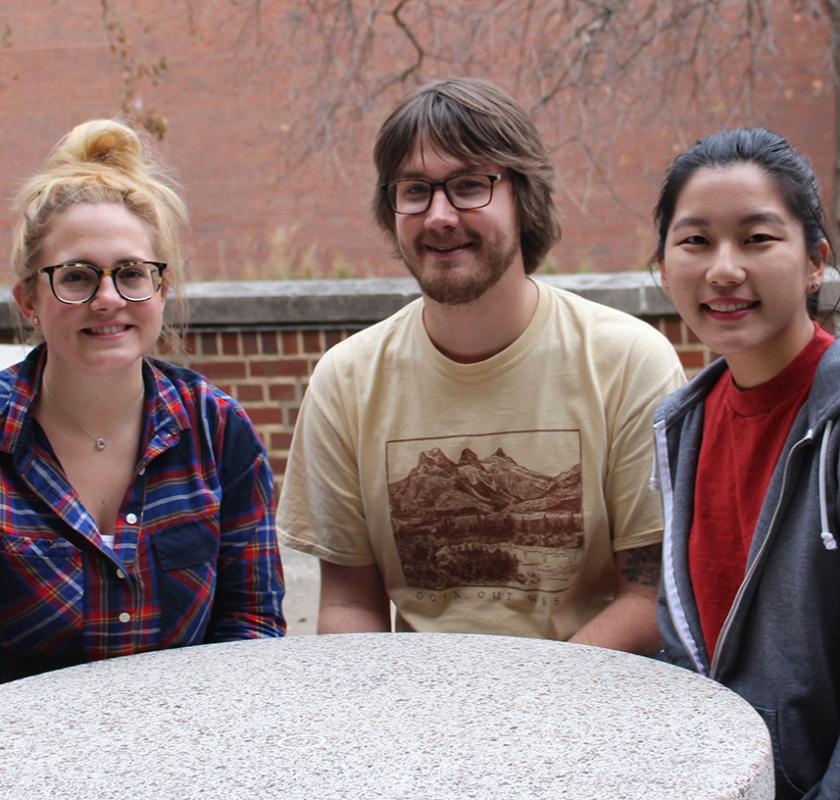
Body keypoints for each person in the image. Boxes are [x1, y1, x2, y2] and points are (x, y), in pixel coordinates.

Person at [278, 78, 684, 649]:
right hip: (417, 709)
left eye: (470, 185)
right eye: (415, 190)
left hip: (593, 704)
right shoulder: (346, 381)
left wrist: (519, 712)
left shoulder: (627, 362)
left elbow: (648, 597)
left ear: (525, 198)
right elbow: (348, 602)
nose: (440, 216)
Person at [0, 119, 285, 682]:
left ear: (162, 289)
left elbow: (250, 626)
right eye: (77, 277)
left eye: (131, 273)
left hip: (186, 748)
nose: (108, 299)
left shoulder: (217, 429)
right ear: (29, 301)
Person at [653, 128, 840, 798]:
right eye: (696, 241)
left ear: (816, 260)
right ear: (663, 266)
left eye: (757, 239)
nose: (723, 269)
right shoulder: (680, 427)